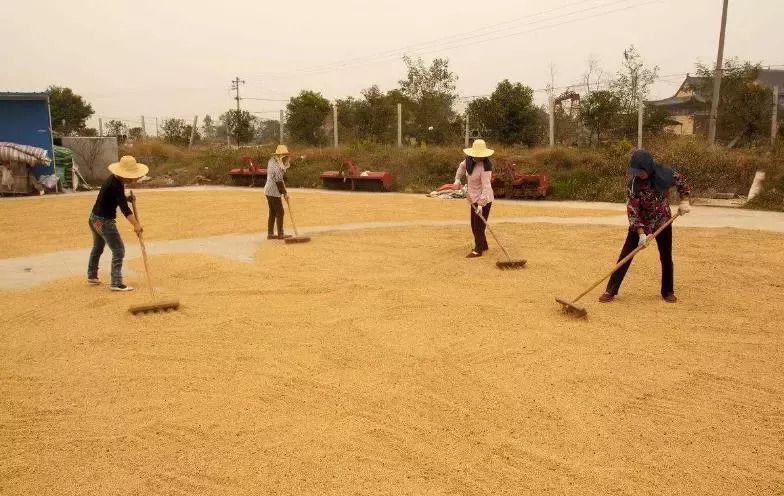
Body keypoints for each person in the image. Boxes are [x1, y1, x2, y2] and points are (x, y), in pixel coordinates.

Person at [600, 149, 691, 304]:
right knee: (626, 255)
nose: (638, 174)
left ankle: (668, 291)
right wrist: (641, 234)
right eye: (635, 171)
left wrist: (684, 201)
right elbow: (633, 211)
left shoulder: (666, 174)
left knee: (666, 256)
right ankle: (611, 290)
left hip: (663, 221)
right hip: (640, 223)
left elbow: (682, 184)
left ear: (648, 167)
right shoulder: (633, 185)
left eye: (641, 171)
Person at [87, 155, 147, 291]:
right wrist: (136, 224)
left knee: (98, 247)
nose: (133, 179)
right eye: (132, 176)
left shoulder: (113, 181)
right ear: (124, 175)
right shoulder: (116, 185)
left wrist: (126, 198)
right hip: (104, 221)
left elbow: (116, 198)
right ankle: (116, 282)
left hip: (94, 219)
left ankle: (92, 275)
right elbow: (125, 209)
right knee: (119, 250)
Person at [453, 139, 494, 258]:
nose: (479, 158)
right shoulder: (468, 161)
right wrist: (457, 179)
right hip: (473, 198)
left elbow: (486, 187)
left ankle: (478, 250)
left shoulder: (486, 168)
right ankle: (483, 244)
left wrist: (481, 205)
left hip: (484, 199)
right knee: (474, 225)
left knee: (479, 226)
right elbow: (461, 168)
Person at [265, 144, 292, 240]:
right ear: (281, 155)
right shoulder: (276, 165)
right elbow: (278, 181)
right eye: (284, 156)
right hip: (273, 191)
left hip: (268, 190)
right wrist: (285, 193)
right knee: (280, 211)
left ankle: (270, 234)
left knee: (272, 212)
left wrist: (285, 192)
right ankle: (280, 234)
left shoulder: (272, 161)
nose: (286, 158)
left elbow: (281, 180)